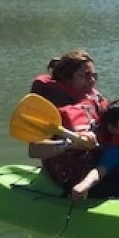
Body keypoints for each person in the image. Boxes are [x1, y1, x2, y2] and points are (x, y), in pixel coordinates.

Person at [25, 50, 107, 194]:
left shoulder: (94, 98)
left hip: (100, 167)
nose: (92, 80)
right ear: (67, 79)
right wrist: (68, 144)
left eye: (94, 75)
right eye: (84, 76)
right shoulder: (50, 107)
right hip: (71, 176)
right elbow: (34, 150)